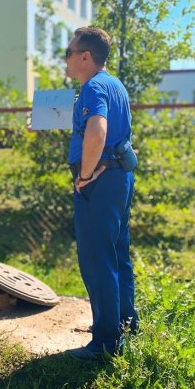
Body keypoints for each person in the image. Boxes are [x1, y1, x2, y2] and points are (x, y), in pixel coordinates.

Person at [64, 27, 138, 360]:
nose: (65, 58)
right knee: (117, 254)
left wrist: (85, 175)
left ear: (85, 56)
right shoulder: (114, 84)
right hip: (119, 178)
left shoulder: (93, 86)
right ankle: (125, 325)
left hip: (100, 181)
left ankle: (106, 343)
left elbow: (97, 131)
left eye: (69, 52)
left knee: (97, 260)